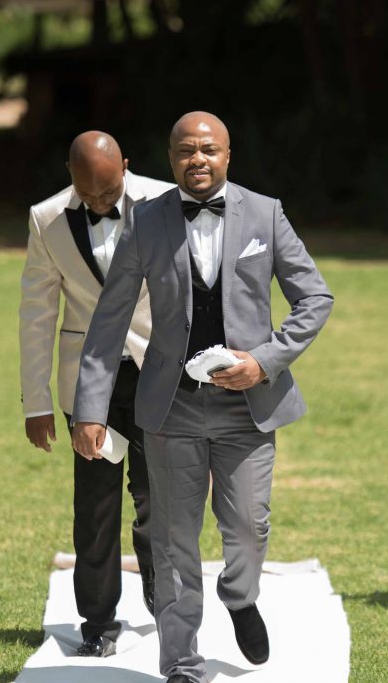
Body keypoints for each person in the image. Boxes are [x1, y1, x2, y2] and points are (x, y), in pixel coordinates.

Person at [70, 112, 333, 683]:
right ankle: (182, 663)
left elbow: (314, 297)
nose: (198, 159)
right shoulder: (147, 222)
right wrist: (90, 409)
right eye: (187, 150)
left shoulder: (266, 213)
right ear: (171, 158)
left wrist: (263, 360)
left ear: (227, 155)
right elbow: (109, 321)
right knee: (172, 539)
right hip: (173, 409)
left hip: (249, 409)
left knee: (247, 528)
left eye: (209, 150)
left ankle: (240, 595)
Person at [19, 131, 173, 657]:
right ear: (69, 174)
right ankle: (98, 623)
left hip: (157, 372)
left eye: (109, 194)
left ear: (126, 166)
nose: (100, 203)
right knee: (96, 503)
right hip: (88, 378)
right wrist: (36, 400)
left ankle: (164, 596)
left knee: (158, 498)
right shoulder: (46, 218)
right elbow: (37, 312)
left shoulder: (164, 200)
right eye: (89, 196)